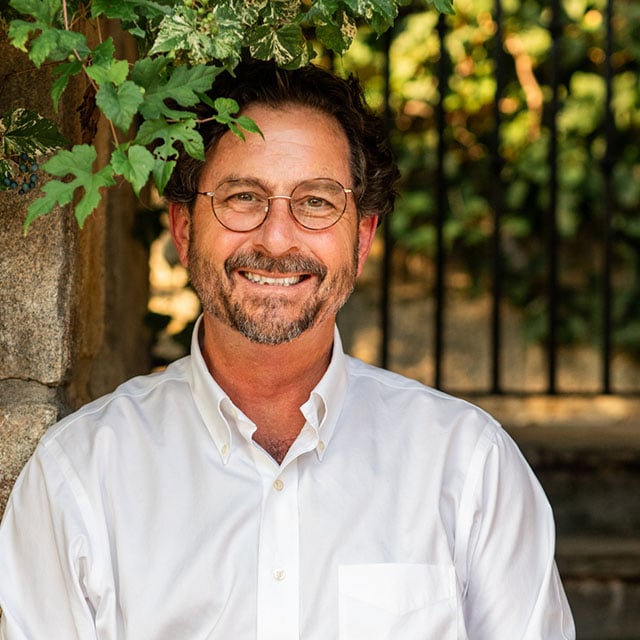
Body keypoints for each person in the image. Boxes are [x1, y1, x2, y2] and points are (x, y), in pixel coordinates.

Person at [0, 60, 575, 639]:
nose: (276, 239)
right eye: (243, 197)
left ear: (364, 237)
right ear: (183, 227)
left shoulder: (469, 468)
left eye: (317, 202)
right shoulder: (80, 478)